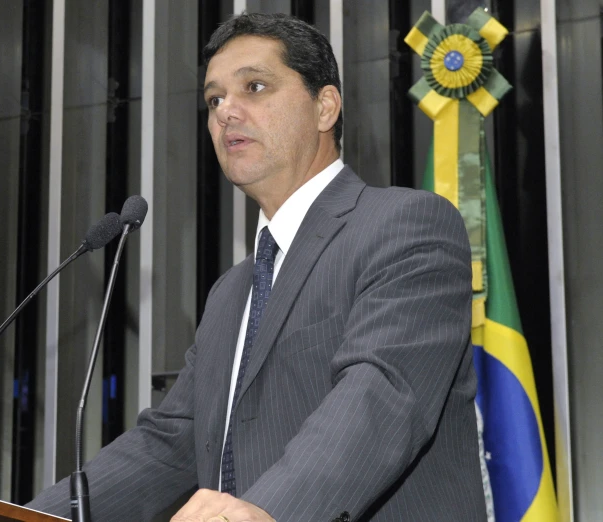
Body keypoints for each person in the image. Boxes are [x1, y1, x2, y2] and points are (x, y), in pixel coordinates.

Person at [28, 13, 485, 521]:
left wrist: (263, 511)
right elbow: (167, 443)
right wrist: (12, 517)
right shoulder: (231, 292)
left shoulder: (405, 224)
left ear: (325, 106)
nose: (226, 112)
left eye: (255, 86)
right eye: (214, 99)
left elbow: (381, 395)